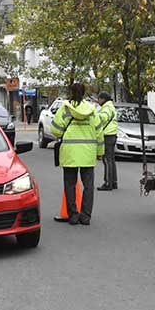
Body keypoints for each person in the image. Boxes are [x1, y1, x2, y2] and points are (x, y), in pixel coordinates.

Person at [51, 83, 104, 225]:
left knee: (70, 184)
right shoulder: (92, 110)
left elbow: (55, 129)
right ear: (84, 92)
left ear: (71, 92)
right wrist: (100, 152)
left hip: (70, 152)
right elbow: (99, 133)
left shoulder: (66, 108)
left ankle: (73, 216)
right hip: (87, 153)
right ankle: (86, 217)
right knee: (88, 185)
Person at [97, 91, 118, 191]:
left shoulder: (107, 108)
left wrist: (96, 116)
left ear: (103, 99)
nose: (98, 101)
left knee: (107, 160)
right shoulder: (111, 106)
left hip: (107, 135)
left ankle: (108, 183)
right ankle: (113, 182)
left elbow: (104, 118)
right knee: (111, 159)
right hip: (112, 135)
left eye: (99, 99)